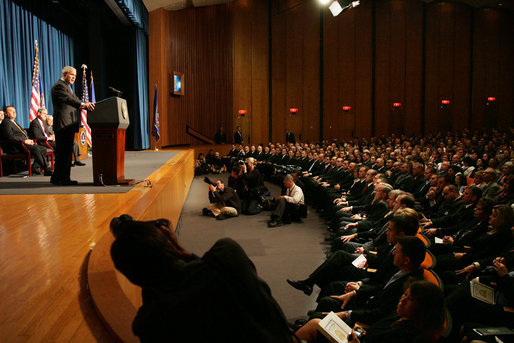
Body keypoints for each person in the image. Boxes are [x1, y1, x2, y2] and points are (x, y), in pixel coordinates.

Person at [109, 215, 294, 343]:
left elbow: (163, 288)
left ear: (133, 279)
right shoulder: (226, 256)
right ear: (169, 242)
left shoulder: (147, 324)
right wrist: (181, 250)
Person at [294, 281, 445, 343]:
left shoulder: (412, 336)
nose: (403, 300)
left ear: (422, 309)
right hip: (360, 334)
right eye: (405, 294)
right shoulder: (403, 316)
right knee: (319, 321)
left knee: (315, 324)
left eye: (410, 299)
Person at [50, 66, 94, 185]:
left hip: (68, 124)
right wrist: (84, 105)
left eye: (75, 76)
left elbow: (75, 99)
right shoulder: (60, 86)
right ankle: (62, 178)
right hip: (63, 124)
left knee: (65, 153)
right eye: (72, 75)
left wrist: (86, 104)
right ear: (64, 74)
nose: (74, 78)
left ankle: (58, 177)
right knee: (63, 153)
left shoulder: (67, 88)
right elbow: (70, 100)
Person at [0, 105, 53, 176]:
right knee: (37, 149)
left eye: (14, 111)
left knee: (43, 149)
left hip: (22, 144)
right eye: (11, 111)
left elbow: (22, 134)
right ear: (6, 113)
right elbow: (10, 136)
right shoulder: (6, 123)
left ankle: (35, 168)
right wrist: (24, 141)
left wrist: (29, 140)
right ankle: (46, 168)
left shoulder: (13, 122)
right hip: (15, 146)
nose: (14, 112)